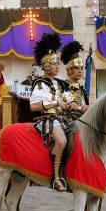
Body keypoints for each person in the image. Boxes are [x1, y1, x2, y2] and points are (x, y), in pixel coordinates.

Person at [30, 33, 69, 192]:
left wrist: (72, 104)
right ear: (45, 66)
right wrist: (55, 103)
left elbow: (67, 99)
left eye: (57, 63)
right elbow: (34, 106)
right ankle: (55, 176)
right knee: (61, 141)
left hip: (62, 118)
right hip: (47, 119)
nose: (57, 66)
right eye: (54, 64)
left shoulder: (60, 84)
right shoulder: (40, 83)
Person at [60, 40, 89, 118]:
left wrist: (86, 108)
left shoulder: (81, 89)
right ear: (69, 69)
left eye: (81, 68)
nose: (80, 71)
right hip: (65, 121)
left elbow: (83, 105)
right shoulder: (62, 85)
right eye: (76, 68)